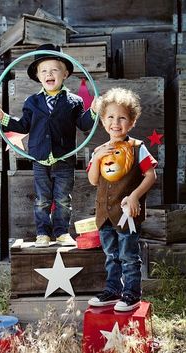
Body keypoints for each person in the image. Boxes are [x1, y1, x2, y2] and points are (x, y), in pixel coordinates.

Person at [0, 43, 95, 248]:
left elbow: (83, 125)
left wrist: (94, 111)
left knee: (63, 199)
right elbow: (22, 125)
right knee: (42, 199)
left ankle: (62, 232)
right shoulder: (32, 102)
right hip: (39, 158)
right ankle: (42, 234)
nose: (49, 74)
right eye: (44, 71)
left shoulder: (74, 101)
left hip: (64, 157)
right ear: (38, 76)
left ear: (65, 74)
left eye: (55, 70)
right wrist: (4, 119)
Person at [87, 87, 157, 311]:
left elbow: (151, 175)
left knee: (128, 255)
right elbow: (93, 181)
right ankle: (113, 290)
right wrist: (97, 158)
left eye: (122, 118)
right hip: (105, 215)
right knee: (111, 255)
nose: (115, 123)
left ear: (132, 121)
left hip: (127, 214)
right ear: (102, 121)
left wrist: (136, 195)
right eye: (110, 117)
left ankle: (131, 294)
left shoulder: (138, 149)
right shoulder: (99, 150)